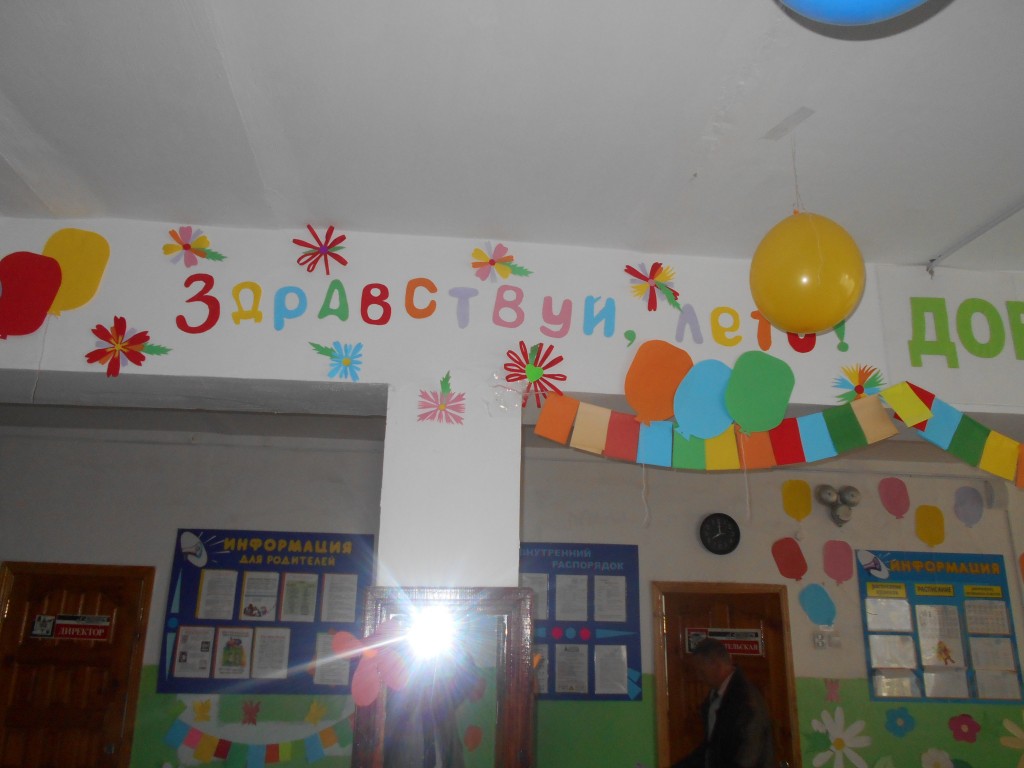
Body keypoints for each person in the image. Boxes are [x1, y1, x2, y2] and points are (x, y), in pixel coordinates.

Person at [674, 638, 775, 768]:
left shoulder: (746, 701)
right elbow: (710, 748)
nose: (698, 677)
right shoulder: (715, 698)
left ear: (716, 664)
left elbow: (748, 755)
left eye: (701, 671)